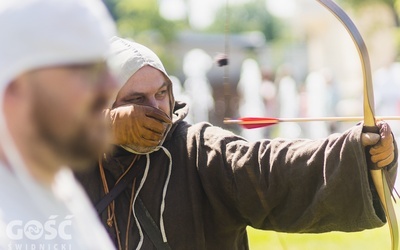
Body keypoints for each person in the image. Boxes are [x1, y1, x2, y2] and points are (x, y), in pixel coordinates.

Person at [77, 36, 397, 250]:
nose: (157, 108)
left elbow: (267, 167)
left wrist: (358, 153)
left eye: (161, 93)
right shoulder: (69, 157)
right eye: (136, 99)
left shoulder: (197, 150)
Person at [0, 0, 118, 249]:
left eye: (106, 67)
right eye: (87, 69)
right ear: (14, 88)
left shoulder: (60, 188)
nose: (110, 87)